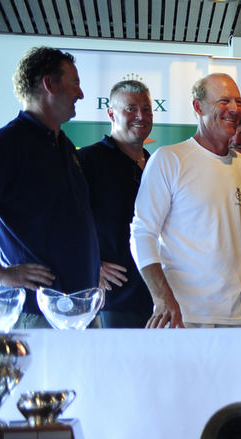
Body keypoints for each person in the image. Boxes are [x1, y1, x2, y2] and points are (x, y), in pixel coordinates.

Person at [0, 46, 99, 328]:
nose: (80, 94)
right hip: (36, 312)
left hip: (80, 311)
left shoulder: (65, 146)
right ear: (49, 84)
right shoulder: (5, 144)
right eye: (75, 84)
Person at [130, 73, 241, 328]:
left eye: (238, 102)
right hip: (184, 316)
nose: (234, 109)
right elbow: (142, 234)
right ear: (198, 107)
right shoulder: (169, 159)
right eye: (223, 101)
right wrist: (162, 298)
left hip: (238, 316)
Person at [77, 79, 154, 328]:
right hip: (111, 299)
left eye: (146, 109)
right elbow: (63, 223)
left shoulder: (157, 164)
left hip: (157, 296)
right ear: (111, 113)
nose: (140, 116)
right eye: (130, 108)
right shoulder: (86, 160)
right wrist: (91, 266)